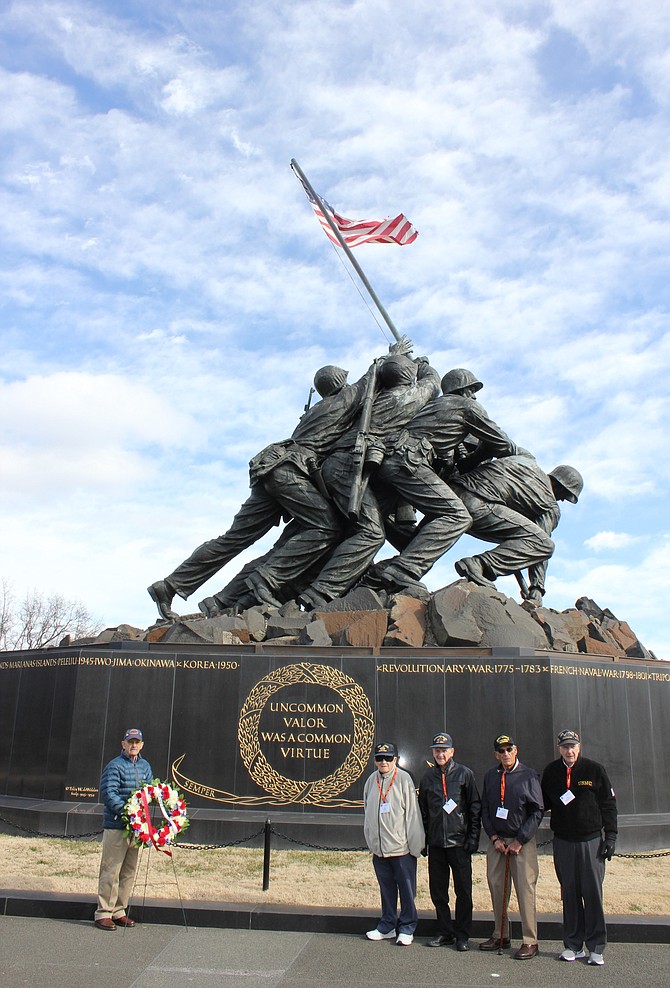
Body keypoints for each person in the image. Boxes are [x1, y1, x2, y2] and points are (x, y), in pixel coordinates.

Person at [368, 369, 518, 594]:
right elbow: (504, 445)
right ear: (463, 389)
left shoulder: (433, 405)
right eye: (472, 390)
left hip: (390, 460)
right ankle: (404, 570)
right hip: (409, 461)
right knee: (457, 516)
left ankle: (369, 577)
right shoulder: (467, 406)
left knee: (372, 525)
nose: (474, 396)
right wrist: (478, 457)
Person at [450, 452, 583, 605]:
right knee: (545, 545)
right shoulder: (549, 503)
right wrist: (537, 588)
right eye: (565, 495)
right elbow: (539, 545)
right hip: (477, 506)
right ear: (561, 487)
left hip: (451, 492)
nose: (562, 500)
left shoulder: (526, 461)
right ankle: (479, 564)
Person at [541, 729, 618, 966]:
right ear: (559, 748)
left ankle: (596, 947)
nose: (569, 750)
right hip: (564, 842)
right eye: (565, 746)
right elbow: (540, 803)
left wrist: (611, 837)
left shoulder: (595, 770)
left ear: (579, 746)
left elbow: (608, 804)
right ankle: (573, 945)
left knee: (593, 894)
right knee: (570, 894)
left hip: (590, 842)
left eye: (573, 746)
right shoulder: (551, 772)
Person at [479, 734, 544, 959]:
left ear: (516, 751)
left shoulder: (528, 775)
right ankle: (500, 934)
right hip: (498, 842)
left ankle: (530, 940)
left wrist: (520, 840)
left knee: (525, 890)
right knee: (497, 888)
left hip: (521, 843)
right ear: (496, 754)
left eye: (509, 749)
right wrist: (494, 838)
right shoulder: (490, 776)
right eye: (501, 751)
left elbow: (537, 810)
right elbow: (485, 808)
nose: (505, 754)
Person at [418, 733, 481, 951]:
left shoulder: (465, 774)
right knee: (438, 891)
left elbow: (474, 807)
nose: (440, 754)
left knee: (463, 891)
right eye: (436, 750)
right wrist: (424, 841)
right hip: (436, 845)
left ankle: (462, 935)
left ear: (452, 751)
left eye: (444, 750)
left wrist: (473, 838)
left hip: (459, 844)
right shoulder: (427, 778)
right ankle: (444, 931)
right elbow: (423, 812)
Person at [363, 741, 424, 946]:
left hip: (401, 848)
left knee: (407, 890)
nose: (383, 762)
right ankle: (387, 925)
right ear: (374, 760)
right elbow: (367, 811)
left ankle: (407, 927)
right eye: (379, 758)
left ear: (395, 760)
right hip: (379, 850)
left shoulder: (404, 779)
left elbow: (413, 815)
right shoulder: (371, 781)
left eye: (388, 758)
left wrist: (415, 847)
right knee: (386, 889)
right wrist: (371, 841)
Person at [95, 727, 153, 930]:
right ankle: (103, 912)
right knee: (111, 870)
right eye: (130, 742)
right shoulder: (114, 766)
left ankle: (119, 910)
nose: (134, 745)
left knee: (128, 872)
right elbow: (109, 793)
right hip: (117, 825)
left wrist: (142, 816)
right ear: (123, 744)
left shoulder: (145, 766)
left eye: (137, 742)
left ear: (142, 745)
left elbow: (148, 793)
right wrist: (129, 812)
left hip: (136, 829)